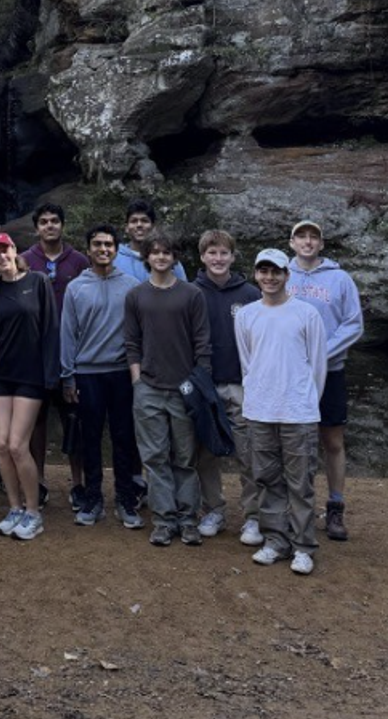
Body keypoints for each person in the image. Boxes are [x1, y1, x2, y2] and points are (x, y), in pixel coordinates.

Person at [235, 248, 329, 575]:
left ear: (287, 275)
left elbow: (318, 365)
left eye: (276, 271)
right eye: (263, 271)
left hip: (298, 412)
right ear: (256, 274)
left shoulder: (306, 314)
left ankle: (303, 545)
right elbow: (248, 362)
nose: (270, 277)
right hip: (260, 409)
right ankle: (276, 540)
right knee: (267, 478)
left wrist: (305, 401)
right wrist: (259, 392)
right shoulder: (246, 315)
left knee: (300, 482)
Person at [124, 232, 211, 546]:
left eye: (166, 252)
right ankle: (163, 520)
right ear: (147, 257)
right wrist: (136, 379)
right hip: (148, 387)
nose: (161, 257)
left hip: (184, 388)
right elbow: (131, 342)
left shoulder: (191, 294)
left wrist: (199, 383)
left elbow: (202, 343)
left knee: (185, 459)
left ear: (175, 257)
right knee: (155, 458)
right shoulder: (136, 296)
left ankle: (188, 520)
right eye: (155, 252)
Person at [285, 219, 364, 542]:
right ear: (291, 242)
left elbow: (353, 324)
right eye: (301, 236)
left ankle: (335, 507)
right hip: (290, 372)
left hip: (329, 371)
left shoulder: (340, 279)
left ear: (321, 243)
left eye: (313, 237)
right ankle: (296, 506)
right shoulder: (280, 274)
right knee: (293, 443)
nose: (307, 241)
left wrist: (320, 353)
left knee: (332, 441)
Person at [59, 225, 141, 529]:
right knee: (89, 439)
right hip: (87, 373)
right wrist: (67, 376)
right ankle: (93, 499)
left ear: (116, 249)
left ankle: (125, 498)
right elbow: (68, 333)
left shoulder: (132, 286)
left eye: (108, 244)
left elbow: (138, 333)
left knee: (123, 438)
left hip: (121, 373)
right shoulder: (76, 288)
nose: (103, 249)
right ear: (88, 249)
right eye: (97, 244)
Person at [0, 232, 59, 540]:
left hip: (31, 375)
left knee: (17, 445)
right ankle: (14, 508)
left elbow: (51, 329)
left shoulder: (38, 281)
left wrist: (52, 375)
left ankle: (33, 512)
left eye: (5, 250)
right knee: (1, 445)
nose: (1, 256)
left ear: (15, 250)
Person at [192, 230, 263, 543]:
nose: (217, 259)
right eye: (211, 253)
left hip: (241, 385)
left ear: (233, 257)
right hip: (205, 386)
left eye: (223, 253)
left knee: (248, 453)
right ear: (202, 257)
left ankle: (253, 517)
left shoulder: (249, 294)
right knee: (206, 453)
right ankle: (214, 509)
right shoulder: (192, 292)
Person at [20, 202, 90, 509]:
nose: (50, 226)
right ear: (36, 228)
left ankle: (78, 483)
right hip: (35, 354)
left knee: (73, 419)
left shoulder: (79, 261)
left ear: (62, 225)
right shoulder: (24, 260)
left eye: (55, 221)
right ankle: (38, 481)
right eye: (44, 222)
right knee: (36, 421)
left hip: (70, 352)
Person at [114, 199, 187, 283]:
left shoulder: (168, 258)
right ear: (126, 227)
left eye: (144, 221)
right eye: (134, 221)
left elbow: (184, 292)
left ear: (153, 226)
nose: (139, 225)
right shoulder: (115, 259)